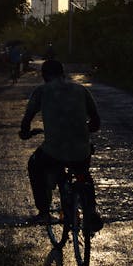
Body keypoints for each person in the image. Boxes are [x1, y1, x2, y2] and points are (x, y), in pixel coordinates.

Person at [19, 59, 103, 231]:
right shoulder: (80, 89)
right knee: (83, 173)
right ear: (62, 73)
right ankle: (91, 210)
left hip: (54, 151)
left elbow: (27, 120)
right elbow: (96, 122)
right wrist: (82, 129)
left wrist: (25, 133)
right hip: (81, 150)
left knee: (34, 165)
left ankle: (43, 211)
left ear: (44, 76)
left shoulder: (42, 91)